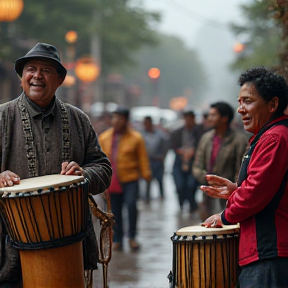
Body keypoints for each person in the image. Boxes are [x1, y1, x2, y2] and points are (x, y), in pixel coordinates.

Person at [0, 42, 112, 287]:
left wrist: (84, 174)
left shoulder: (78, 119)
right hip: (10, 244)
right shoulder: (2, 117)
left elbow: (103, 169)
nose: (37, 76)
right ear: (22, 77)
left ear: (59, 79)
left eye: (46, 70)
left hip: (68, 245)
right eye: (31, 69)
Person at [201, 67, 288, 288]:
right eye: (239, 102)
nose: (240, 109)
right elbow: (264, 189)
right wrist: (236, 190)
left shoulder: (275, 138)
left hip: (270, 252)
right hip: (265, 251)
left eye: (248, 101)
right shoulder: (268, 136)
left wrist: (224, 216)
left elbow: (255, 194)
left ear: (273, 104)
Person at [98, 106, 151, 251]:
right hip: (112, 180)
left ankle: (133, 237)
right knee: (115, 211)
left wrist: (147, 175)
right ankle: (118, 238)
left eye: (119, 118)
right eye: (114, 118)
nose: (116, 121)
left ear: (126, 120)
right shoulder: (104, 137)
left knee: (131, 205)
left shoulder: (136, 138)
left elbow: (143, 158)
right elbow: (99, 160)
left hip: (130, 179)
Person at [192, 101, 248, 221]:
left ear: (224, 118)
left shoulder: (239, 140)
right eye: (209, 115)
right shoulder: (206, 138)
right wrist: (207, 179)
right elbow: (197, 165)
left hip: (230, 194)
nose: (209, 118)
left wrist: (233, 188)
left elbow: (241, 169)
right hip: (208, 191)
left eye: (213, 115)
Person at [170, 109, 204, 213]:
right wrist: (182, 152)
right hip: (180, 161)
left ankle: (192, 205)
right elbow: (172, 146)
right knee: (179, 185)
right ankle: (181, 203)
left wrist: (193, 152)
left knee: (191, 185)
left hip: (194, 162)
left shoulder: (200, 132)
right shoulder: (177, 132)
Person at [140, 116, 169, 202]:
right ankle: (147, 198)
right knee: (147, 180)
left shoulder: (160, 134)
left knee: (160, 180)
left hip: (158, 161)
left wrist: (163, 156)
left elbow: (166, 146)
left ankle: (162, 196)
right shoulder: (141, 134)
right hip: (147, 161)